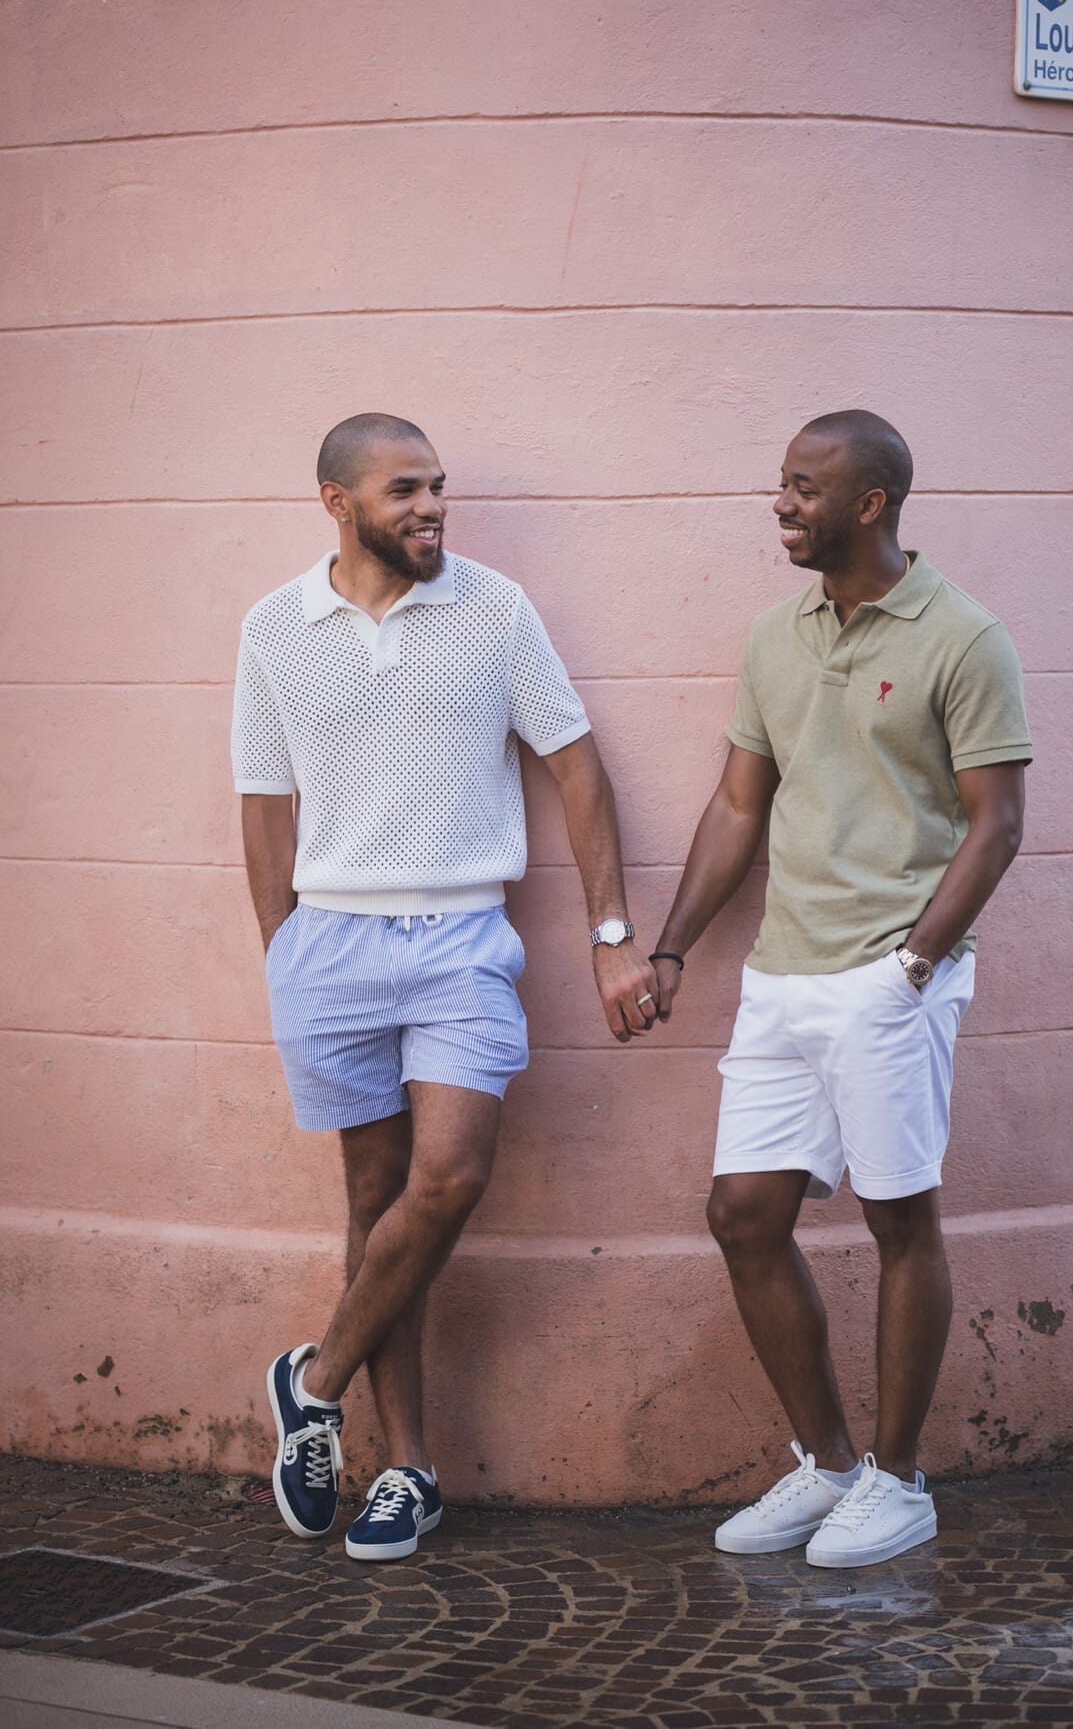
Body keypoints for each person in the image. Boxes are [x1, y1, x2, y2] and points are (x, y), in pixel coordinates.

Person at [232, 412, 657, 1561]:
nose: (431, 508)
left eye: (438, 488)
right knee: (374, 1207)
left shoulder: (494, 608)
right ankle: (406, 1470)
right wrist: (284, 952)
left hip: (464, 939)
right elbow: (263, 805)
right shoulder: (275, 627)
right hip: (331, 948)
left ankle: (311, 1382)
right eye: (405, 489)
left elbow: (574, 764)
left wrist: (610, 932)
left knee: (451, 1177)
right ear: (337, 501)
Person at [651, 409, 1032, 1569]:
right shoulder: (777, 636)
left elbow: (996, 825)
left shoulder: (963, 638)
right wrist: (670, 949)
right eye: (781, 482)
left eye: (803, 487)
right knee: (744, 1215)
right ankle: (825, 1466)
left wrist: (914, 965)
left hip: (887, 977)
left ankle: (900, 1479)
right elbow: (735, 807)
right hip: (781, 973)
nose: (780, 502)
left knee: (896, 1217)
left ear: (869, 503)